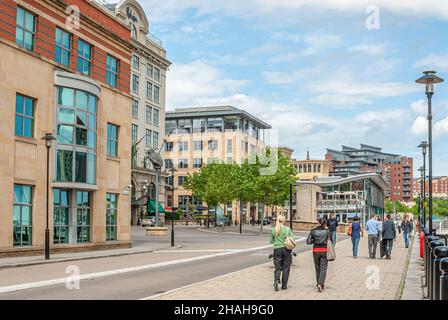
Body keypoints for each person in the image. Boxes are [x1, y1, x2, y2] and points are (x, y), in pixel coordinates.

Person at [269, 215, 294, 291]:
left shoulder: (273, 230)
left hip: (277, 249)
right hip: (286, 249)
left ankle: (276, 280)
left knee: (278, 267)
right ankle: (284, 286)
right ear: (284, 221)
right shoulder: (287, 229)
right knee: (286, 267)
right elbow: (292, 239)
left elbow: (271, 241)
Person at [307, 218, 330, 292]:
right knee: (323, 268)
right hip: (324, 250)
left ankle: (319, 283)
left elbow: (308, 241)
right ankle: (320, 284)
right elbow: (331, 240)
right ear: (325, 223)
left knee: (317, 268)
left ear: (318, 222)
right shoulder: (327, 231)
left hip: (316, 250)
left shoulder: (313, 231)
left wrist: (314, 241)